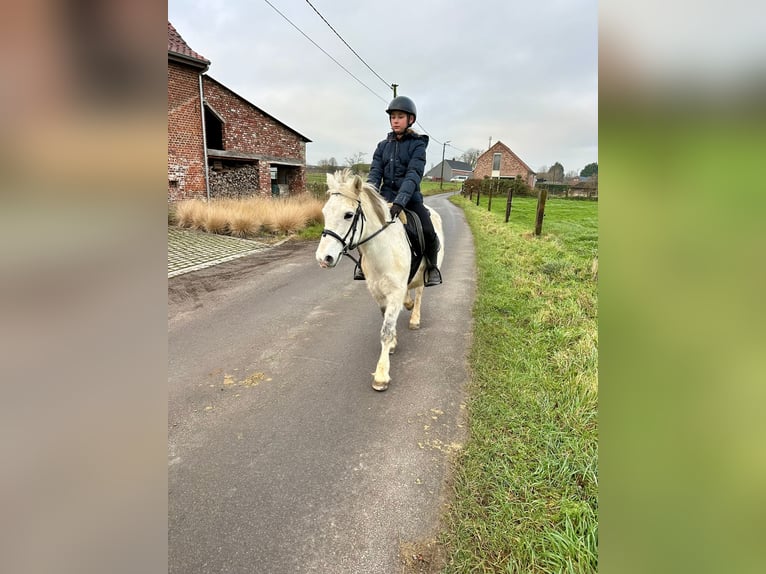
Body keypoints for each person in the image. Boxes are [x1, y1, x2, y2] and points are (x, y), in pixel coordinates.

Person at [355, 95, 442, 286]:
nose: (395, 120)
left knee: (428, 230)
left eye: (400, 116)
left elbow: (413, 175)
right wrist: (371, 198)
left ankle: (431, 268)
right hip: (385, 197)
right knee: (363, 225)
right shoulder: (382, 146)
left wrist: (400, 202)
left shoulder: (418, 145)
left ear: (410, 119)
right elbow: (375, 174)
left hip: (410, 199)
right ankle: (363, 264)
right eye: (393, 116)